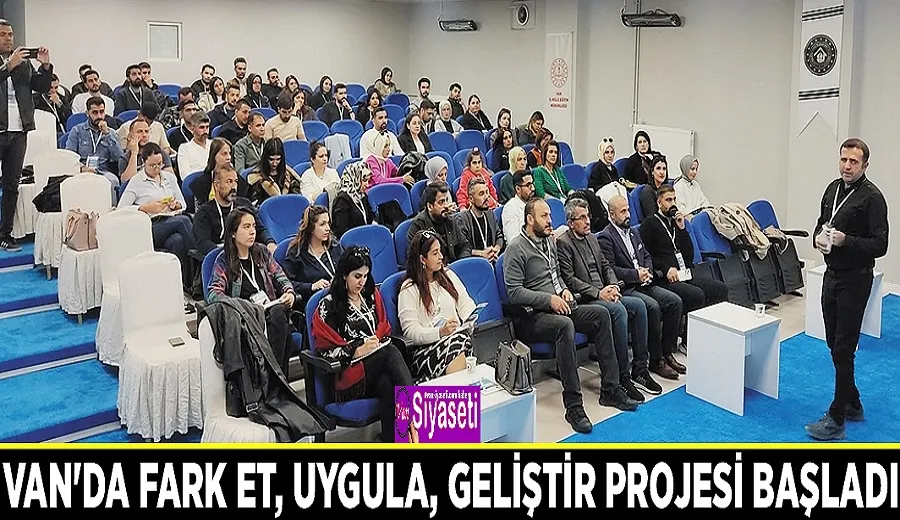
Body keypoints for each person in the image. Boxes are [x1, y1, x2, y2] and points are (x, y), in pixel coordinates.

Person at [504, 198, 641, 434]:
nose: (550, 220)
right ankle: (574, 406)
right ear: (529, 219)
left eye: (549, 215)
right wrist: (549, 299)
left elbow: (556, 276)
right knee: (565, 326)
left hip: (559, 305)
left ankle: (611, 389)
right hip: (532, 317)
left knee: (601, 314)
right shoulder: (516, 248)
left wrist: (563, 290)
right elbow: (514, 292)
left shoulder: (549, 241)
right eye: (544, 216)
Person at [805, 138, 888, 441]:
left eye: (854, 161)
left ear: (865, 165)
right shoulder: (832, 189)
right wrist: (818, 238)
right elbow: (820, 224)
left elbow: (880, 245)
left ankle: (837, 417)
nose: (847, 166)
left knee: (844, 346)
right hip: (831, 275)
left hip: (856, 278)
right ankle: (852, 402)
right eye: (844, 160)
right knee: (833, 342)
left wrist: (846, 241)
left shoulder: (872, 198)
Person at [556, 198, 662, 399]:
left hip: (605, 292)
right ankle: (622, 376)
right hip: (587, 298)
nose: (588, 221)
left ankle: (640, 369)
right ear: (570, 223)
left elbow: (606, 266)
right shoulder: (564, 243)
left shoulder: (592, 238)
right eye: (582, 218)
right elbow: (570, 280)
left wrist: (613, 286)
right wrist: (598, 293)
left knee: (639, 306)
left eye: (588, 216)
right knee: (619, 310)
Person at [311, 246, 415, 443]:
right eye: (357, 276)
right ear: (344, 275)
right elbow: (325, 351)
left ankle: (394, 440)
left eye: (366, 276)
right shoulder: (329, 305)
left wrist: (375, 344)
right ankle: (415, 414)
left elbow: (383, 328)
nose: (362, 282)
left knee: (387, 384)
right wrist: (357, 351)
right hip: (347, 375)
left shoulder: (370, 295)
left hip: (375, 366)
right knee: (391, 352)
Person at [599, 195, 682, 380]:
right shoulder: (606, 237)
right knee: (652, 307)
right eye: (623, 211)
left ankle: (667, 352)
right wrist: (635, 275)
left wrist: (648, 271)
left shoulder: (633, 232)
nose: (628, 215)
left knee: (674, 302)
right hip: (628, 287)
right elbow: (610, 269)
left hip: (645, 282)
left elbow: (646, 256)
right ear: (612, 214)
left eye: (628, 210)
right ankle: (655, 360)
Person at [207, 208, 296, 375]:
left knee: (279, 314)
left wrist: (289, 292)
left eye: (254, 226)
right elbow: (213, 294)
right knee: (280, 320)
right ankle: (277, 379)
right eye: (246, 227)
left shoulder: (261, 252)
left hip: (269, 311)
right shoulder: (224, 260)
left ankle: (274, 378)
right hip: (246, 318)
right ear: (233, 233)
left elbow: (281, 277)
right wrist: (242, 306)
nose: (252, 231)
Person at [639, 185, 729, 337]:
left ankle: (712, 334)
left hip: (683, 274)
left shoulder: (676, 223)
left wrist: (682, 229)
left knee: (720, 289)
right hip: (665, 278)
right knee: (696, 295)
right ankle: (689, 338)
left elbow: (688, 256)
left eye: (674, 199)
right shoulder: (649, 224)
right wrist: (666, 269)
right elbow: (645, 255)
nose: (673, 204)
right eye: (668, 200)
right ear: (659, 202)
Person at [397, 230, 476, 382]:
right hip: (425, 349)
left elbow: (466, 304)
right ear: (422, 259)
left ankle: (459, 392)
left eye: (440, 251)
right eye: (435, 253)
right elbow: (411, 332)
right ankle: (462, 392)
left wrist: (469, 320)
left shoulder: (448, 275)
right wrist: (440, 332)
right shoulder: (409, 289)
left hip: (456, 338)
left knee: (460, 340)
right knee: (458, 343)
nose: (441, 256)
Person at [0, 24, 52, 251]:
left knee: (12, 185)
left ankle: (5, 233)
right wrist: (7, 66)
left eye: (10, 35)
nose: (8, 39)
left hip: (19, 130)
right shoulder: (13, 62)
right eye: (2, 35)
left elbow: (41, 86)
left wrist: (46, 66)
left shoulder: (23, 62)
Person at [117, 143, 196, 290]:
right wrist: (145, 208)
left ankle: (185, 284)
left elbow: (183, 203)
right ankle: (201, 260)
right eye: (152, 165)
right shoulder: (137, 181)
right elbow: (122, 209)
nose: (157, 168)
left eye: (160, 164)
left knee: (177, 241)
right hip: (151, 226)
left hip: (171, 219)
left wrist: (176, 205)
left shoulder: (169, 178)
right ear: (143, 162)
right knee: (184, 221)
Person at [193, 165, 275, 256]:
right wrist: (226, 254)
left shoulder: (245, 204)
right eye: (229, 182)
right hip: (220, 256)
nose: (234, 187)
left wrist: (269, 242)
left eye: (235, 182)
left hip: (247, 253)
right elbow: (203, 242)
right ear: (216, 185)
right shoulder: (204, 212)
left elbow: (260, 229)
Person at [282, 205, 344, 307]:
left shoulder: (334, 246)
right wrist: (311, 286)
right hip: (314, 303)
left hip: (338, 298)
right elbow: (286, 282)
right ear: (311, 228)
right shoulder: (296, 253)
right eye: (322, 224)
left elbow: (347, 270)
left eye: (328, 223)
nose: (328, 228)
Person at [407, 181, 470, 264]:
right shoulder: (418, 226)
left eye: (447, 200)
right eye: (441, 202)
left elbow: (465, 246)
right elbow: (415, 260)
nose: (446, 206)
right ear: (430, 206)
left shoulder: (451, 220)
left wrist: (460, 264)